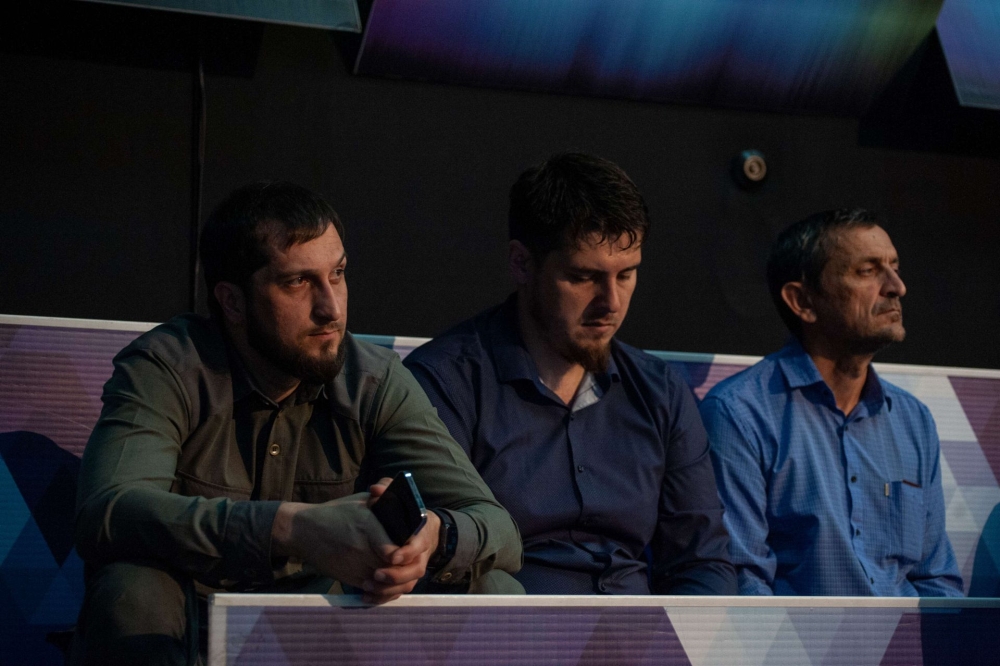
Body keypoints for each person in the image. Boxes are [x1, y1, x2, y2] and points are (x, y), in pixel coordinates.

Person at [71, 181, 524, 666]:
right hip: (189, 628)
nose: (332, 308)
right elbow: (108, 511)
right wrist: (290, 527)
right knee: (132, 589)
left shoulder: (373, 379)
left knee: (494, 585)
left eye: (338, 274)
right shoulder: (169, 366)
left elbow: (499, 528)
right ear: (232, 302)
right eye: (297, 282)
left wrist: (432, 537)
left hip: (327, 631)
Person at [403, 153, 736, 595]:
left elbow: (702, 563)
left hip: (640, 630)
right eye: (583, 277)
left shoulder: (661, 391)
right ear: (522, 263)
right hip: (505, 628)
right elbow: (427, 559)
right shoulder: (444, 384)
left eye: (627, 274)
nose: (611, 302)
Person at [700, 209, 964, 596]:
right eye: (867, 271)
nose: (897, 287)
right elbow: (744, 583)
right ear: (802, 301)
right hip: (795, 636)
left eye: (894, 268)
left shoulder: (914, 419)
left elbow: (936, 581)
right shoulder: (739, 413)